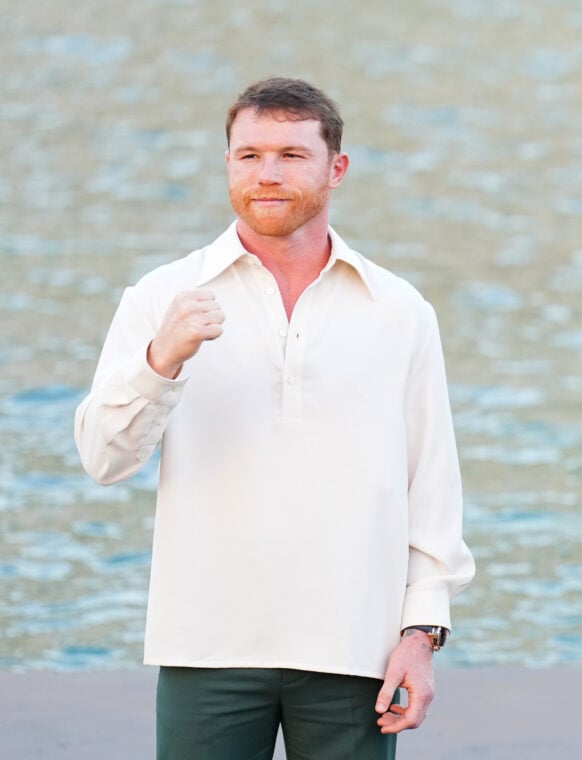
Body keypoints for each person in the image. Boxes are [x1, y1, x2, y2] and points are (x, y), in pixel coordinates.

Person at [75, 77, 475, 759]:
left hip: (355, 646)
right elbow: (103, 458)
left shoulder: (400, 310)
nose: (267, 174)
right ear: (228, 163)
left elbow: (431, 487)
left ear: (335, 169)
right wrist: (160, 360)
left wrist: (422, 633)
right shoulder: (162, 297)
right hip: (207, 645)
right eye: (249, 155)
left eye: (291, 155)